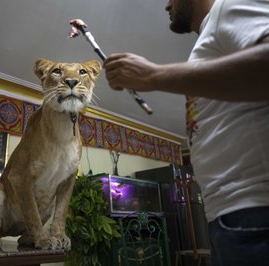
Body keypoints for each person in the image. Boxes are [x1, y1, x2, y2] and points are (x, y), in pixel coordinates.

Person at [103, 0, 269, 265]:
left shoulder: (229, 6)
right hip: (229, 218)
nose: (167, 5)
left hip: (254, 213)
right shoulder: (207, 40)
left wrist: (154, 75)